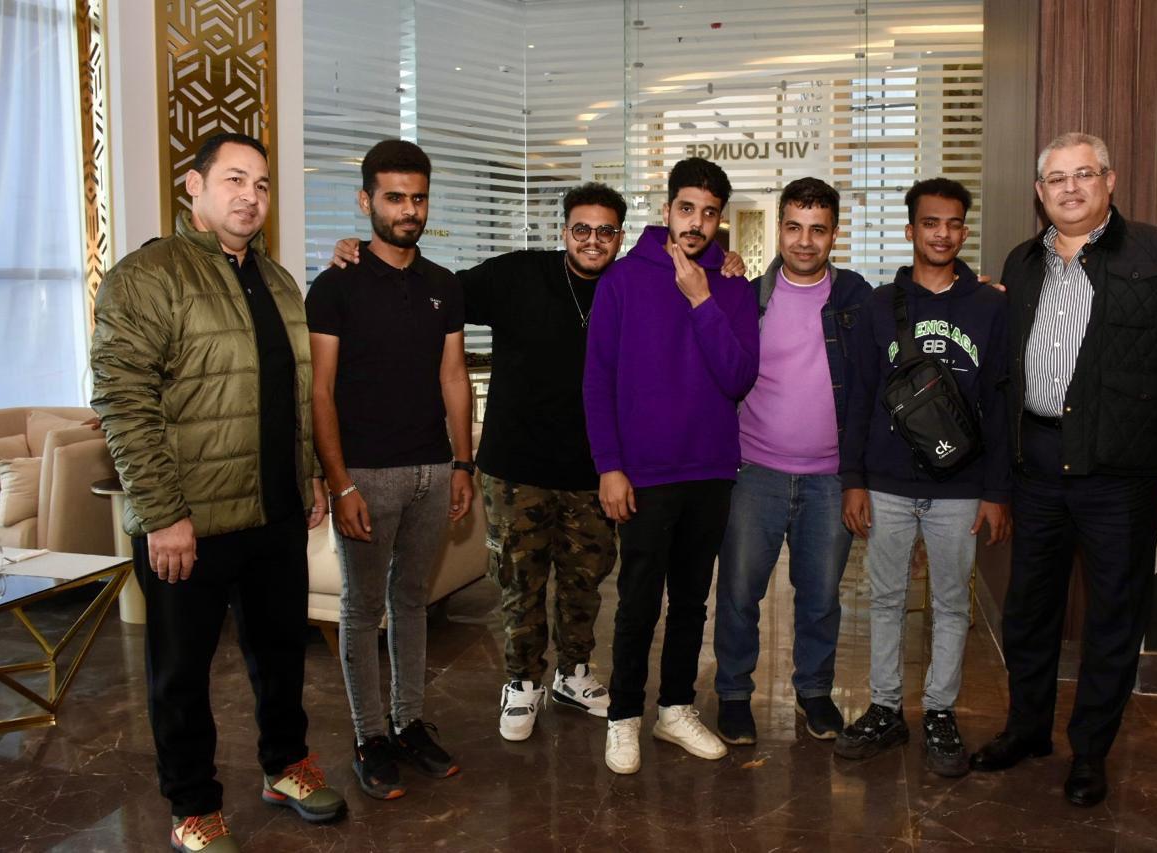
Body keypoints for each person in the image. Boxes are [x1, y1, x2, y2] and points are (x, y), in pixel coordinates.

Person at [330, 186, 747, 743]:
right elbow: (436, 291)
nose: (593, 240)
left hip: (594, 469)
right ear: (564, 231)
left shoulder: (634, 284)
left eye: (605, 231)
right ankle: (522, 681)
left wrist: (724, 260)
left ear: (621, 236)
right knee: (519, 584)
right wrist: (366, 253)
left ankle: (573, 673)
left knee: (585, 583)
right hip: (517, 467)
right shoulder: (517, 275)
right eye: (582, 229)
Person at [91, 133, 346, 852]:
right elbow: (123, 401)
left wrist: (307, 475)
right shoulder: (148, 276)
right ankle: (193, 806)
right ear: (194, 186)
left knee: (282, 655)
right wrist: (162, 515)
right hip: (188, 523)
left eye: (261, 184)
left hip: (274, 513)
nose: (250, 196)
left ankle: (285, 766)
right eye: (234, 179)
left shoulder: (279, 280)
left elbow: (293, 392)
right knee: (181, 674)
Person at [969, 133, 1157, 807]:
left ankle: (1090, 752)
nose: (1070, 188)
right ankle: (1027, 729)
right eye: (1057, 178)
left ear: (1109, 181)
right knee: (1029, 610)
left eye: (1084, 174)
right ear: (1040, 193)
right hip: (1037, 466)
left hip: (1120, 473)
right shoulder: (1022, 262)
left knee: (1113, 616)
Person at [583, 157, 760, 775]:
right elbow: (597, 380)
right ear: (666, 210)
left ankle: (676, 708)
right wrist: (609, 465)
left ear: (720, 220)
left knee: (691, 602)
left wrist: (703, 300)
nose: (696, 223)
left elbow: (738, 377)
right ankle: (623, 717)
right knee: (637, 601)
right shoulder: (623, 280)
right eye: (687, 208)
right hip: (644, 473)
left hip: (710, 469)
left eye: (709, 213)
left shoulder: (732, 286)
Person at [306, 139, 468, 800]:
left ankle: (408, 723)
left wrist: (463, 463)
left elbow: (453, 376)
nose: (409, 210)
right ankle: (369, 735)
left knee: (412, 602)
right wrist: (339, 480)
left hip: (433, 467)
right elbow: (320, 391)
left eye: (418, 198)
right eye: (395, 197)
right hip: (366, 475)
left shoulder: (443, 285)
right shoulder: (334, 285)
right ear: (366, 200)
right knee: (362, 607)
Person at [837, 178, 1011, 777]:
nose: (943, 233)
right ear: (911, 230)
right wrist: (853, 479)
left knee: (951, 604)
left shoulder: (989, 307)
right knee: (884, 600)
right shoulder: (879, 306)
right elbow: (859, 397)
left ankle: (940, 711)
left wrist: (996, 491)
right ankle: (886, 708)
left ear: (964, 230)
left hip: (960, 488)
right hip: (886, 482)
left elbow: (999, 402)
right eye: (931, 223)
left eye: (954, 223)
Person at [712, 177, 871, 746]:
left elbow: (911, 310)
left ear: (834, 234)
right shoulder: (747, 297)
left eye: (818, 230)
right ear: (780, 229)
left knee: (822, 598)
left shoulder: (856, 300)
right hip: (754, 472)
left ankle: (815, 692)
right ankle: (734, 694)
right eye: (795, 227)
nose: (805, 241)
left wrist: (971, 292)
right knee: (738, 594)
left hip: (829, 479)